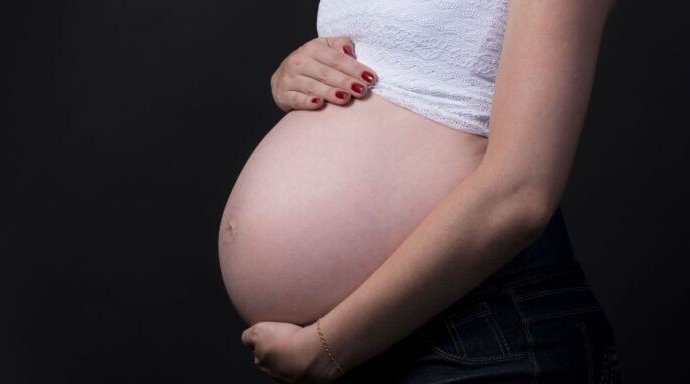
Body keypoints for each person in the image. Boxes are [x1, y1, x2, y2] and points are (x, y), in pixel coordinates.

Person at [240, 0, 622, 383]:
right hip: (357, 338)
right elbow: (410, 62)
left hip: (480, 329)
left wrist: (327, 350)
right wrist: (300, 73)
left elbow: (522, 194)